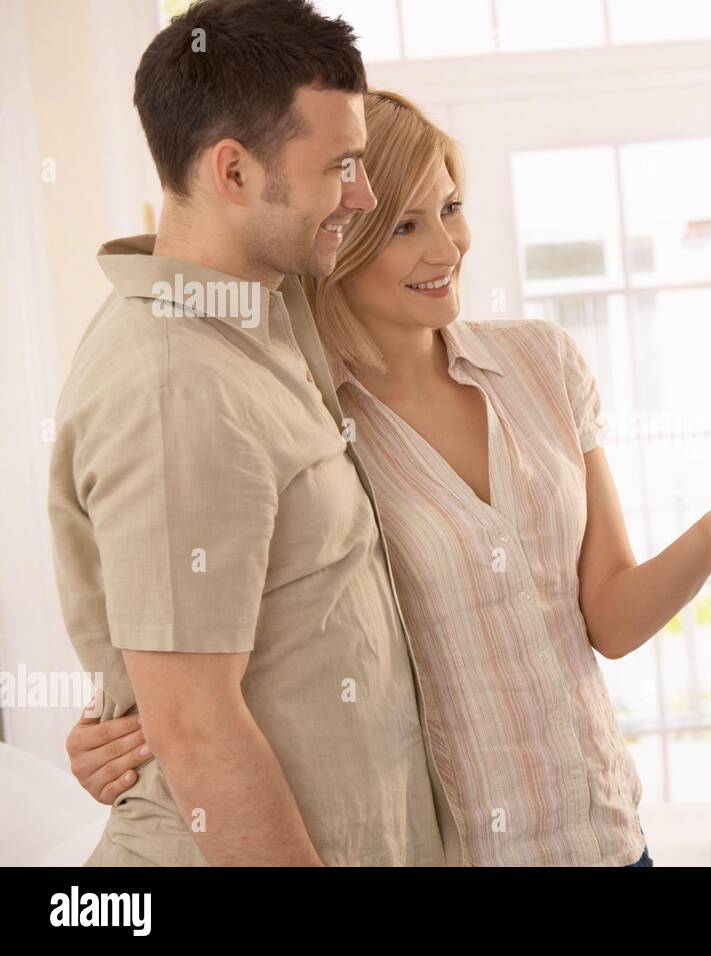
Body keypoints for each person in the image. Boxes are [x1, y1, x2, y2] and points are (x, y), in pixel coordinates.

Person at [65, 84, 711, 864]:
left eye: (450, 208)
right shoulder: (311, 423)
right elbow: (256, 639)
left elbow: (608, 616)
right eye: (404, 226)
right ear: (340, 241)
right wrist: (129, 728)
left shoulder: (542, 363)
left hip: (606, 837)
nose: (446, 248)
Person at [49, 0, 458, 865]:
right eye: (341, 166)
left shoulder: (262, 312)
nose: (367, 193)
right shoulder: (175, 382)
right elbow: (195, 726)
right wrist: (153, 702)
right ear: (232, 173)